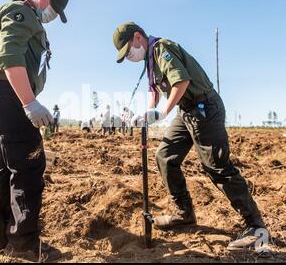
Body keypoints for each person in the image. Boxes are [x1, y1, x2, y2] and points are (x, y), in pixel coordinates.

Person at [113, 22, 267, 251]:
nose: (129, 57)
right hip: (186, 111)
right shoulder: (150, 61)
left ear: (138, 37)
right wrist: (147, 113)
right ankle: (184, 212)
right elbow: (154, 90)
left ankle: (256, 228)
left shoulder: (160, 48)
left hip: (204, 107)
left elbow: (181, 81)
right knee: (165, 156)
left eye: (128, 50)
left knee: (216, 166)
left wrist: (162, 112)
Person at [0, 0, 69, 262]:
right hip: (7, 94)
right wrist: (29, 102)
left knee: (2, 166)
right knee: (29, 163)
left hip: (0, 93)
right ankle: (24, 244)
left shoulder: (31, 18)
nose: (50, 17)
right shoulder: (22, 12)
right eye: (52, 9)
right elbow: (11, 56)